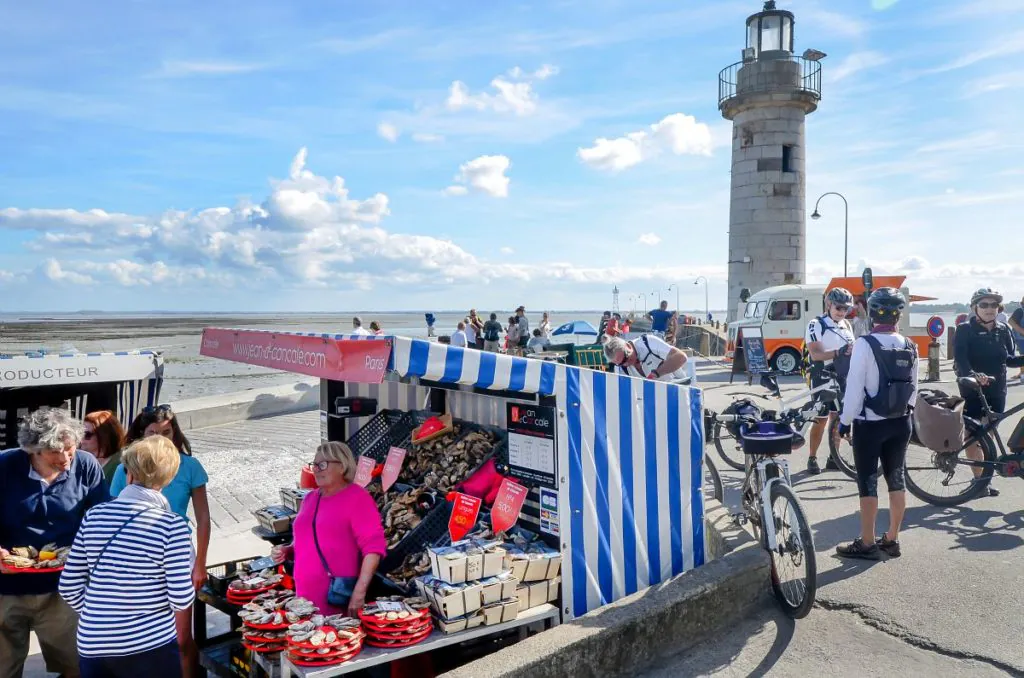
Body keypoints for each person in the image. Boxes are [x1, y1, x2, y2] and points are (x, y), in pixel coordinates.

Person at [60, 435, 194, 678]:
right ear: (169, 478)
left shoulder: (95, 516)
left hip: (93, 643)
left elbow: (68, 586)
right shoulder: (171, 525)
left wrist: (100, 614)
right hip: (149, 645)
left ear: (128, 473)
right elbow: (180, 598)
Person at [0, 407, 108, 678]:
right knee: (4, 666)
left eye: (69, 449)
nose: (65, 459)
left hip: (64, 588)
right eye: (54, 453)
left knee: (75, 664)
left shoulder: (85, 465)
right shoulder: (4, 466)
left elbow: (102, 520)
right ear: (32, 450)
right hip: (6, 588)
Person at [110, 405, 210, 678]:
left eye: (167, 432)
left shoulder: (190, 466)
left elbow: (203, 519)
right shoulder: (125, 468)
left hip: (178, 552)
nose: (161, 439)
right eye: (154, 433)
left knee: (181, 638)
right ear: (142, 435)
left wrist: (200, 563)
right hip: (137, 557)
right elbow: (115, 515)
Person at [836, 288, 918, 560]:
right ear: (899, 314)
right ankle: (892, 539)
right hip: (901, 422)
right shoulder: (910, 345)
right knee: (897, 479)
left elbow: (854, 390)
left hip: (870, 424)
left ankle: (868, 542)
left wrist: (844, 423)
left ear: (872, 314)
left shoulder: (865, 344)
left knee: (868, 482)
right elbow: (914, 389)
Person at [270, 442, 386, 616]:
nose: (316, 469)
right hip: (304, 596)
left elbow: (373, 549)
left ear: (342, 466)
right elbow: (307, 538)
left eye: (322, 465)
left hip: (335, 598)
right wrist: (287, 550)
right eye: (314, 465)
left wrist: (359, 593)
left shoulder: (357, 498)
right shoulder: (310, 498)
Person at [953, 288, 1017, 497]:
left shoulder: (1003, 329)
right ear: (974, 308)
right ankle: (980, 482)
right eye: (984, 305)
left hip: (997, 390)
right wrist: (973, 375)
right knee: (973, 435)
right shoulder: (964, 330)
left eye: (993, 305)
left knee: (987, 435)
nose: (990, 309)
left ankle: (982, 480)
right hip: (972, 389)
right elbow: (961, 361)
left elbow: (1009, 359)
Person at [803, 287, 856, 475]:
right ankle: (812, 457)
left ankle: (834, 457)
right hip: (821, 375)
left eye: (846, 309)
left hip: (842, 375)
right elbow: (815, 354)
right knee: (821, 418)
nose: (842, 312)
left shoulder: (846, 325)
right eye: (839, 308)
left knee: (839, 417)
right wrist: (837, 353)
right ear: (828, 304)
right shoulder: (816, 324)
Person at [603, 334, 688, 381]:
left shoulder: (648, 342)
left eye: (626, 358)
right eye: (620, 364)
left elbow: (681, 357)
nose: (626, 364)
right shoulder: (623, 368)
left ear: (628, 346)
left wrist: (656, 373)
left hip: (679, 390)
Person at [81, 410, 127, 488]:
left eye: (87, 435)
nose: (81, 439)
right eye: (80, 433)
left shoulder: (121, 462)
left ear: (104, 436)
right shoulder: (82, 459)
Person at [1009, 297, 1024, 383]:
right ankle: (1022, 376)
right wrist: (1021, 331)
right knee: (1022, 357)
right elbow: (1011, 321)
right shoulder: (1020, 310)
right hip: (1021, 339)